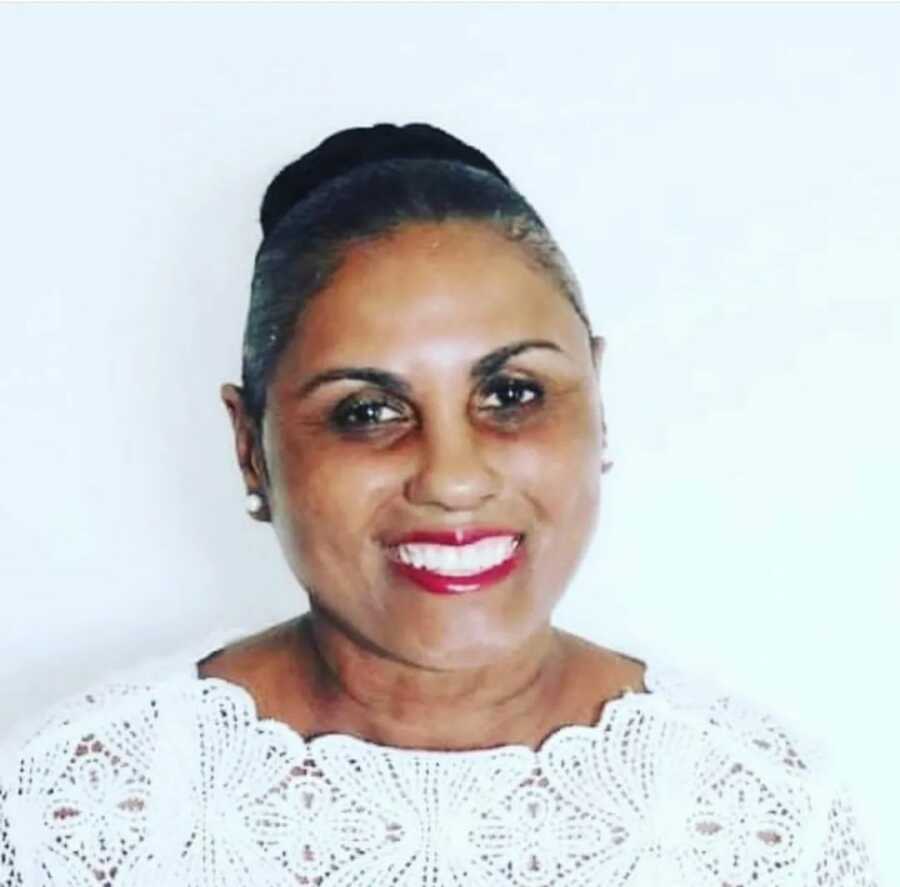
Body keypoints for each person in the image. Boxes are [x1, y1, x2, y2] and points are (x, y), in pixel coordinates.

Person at [0, 122, 879, 886]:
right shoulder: (80, 810)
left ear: (598, 406)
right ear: (250, 449)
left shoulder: (757, 818)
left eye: (512, 394)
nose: (454, 478)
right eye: (366, 411)